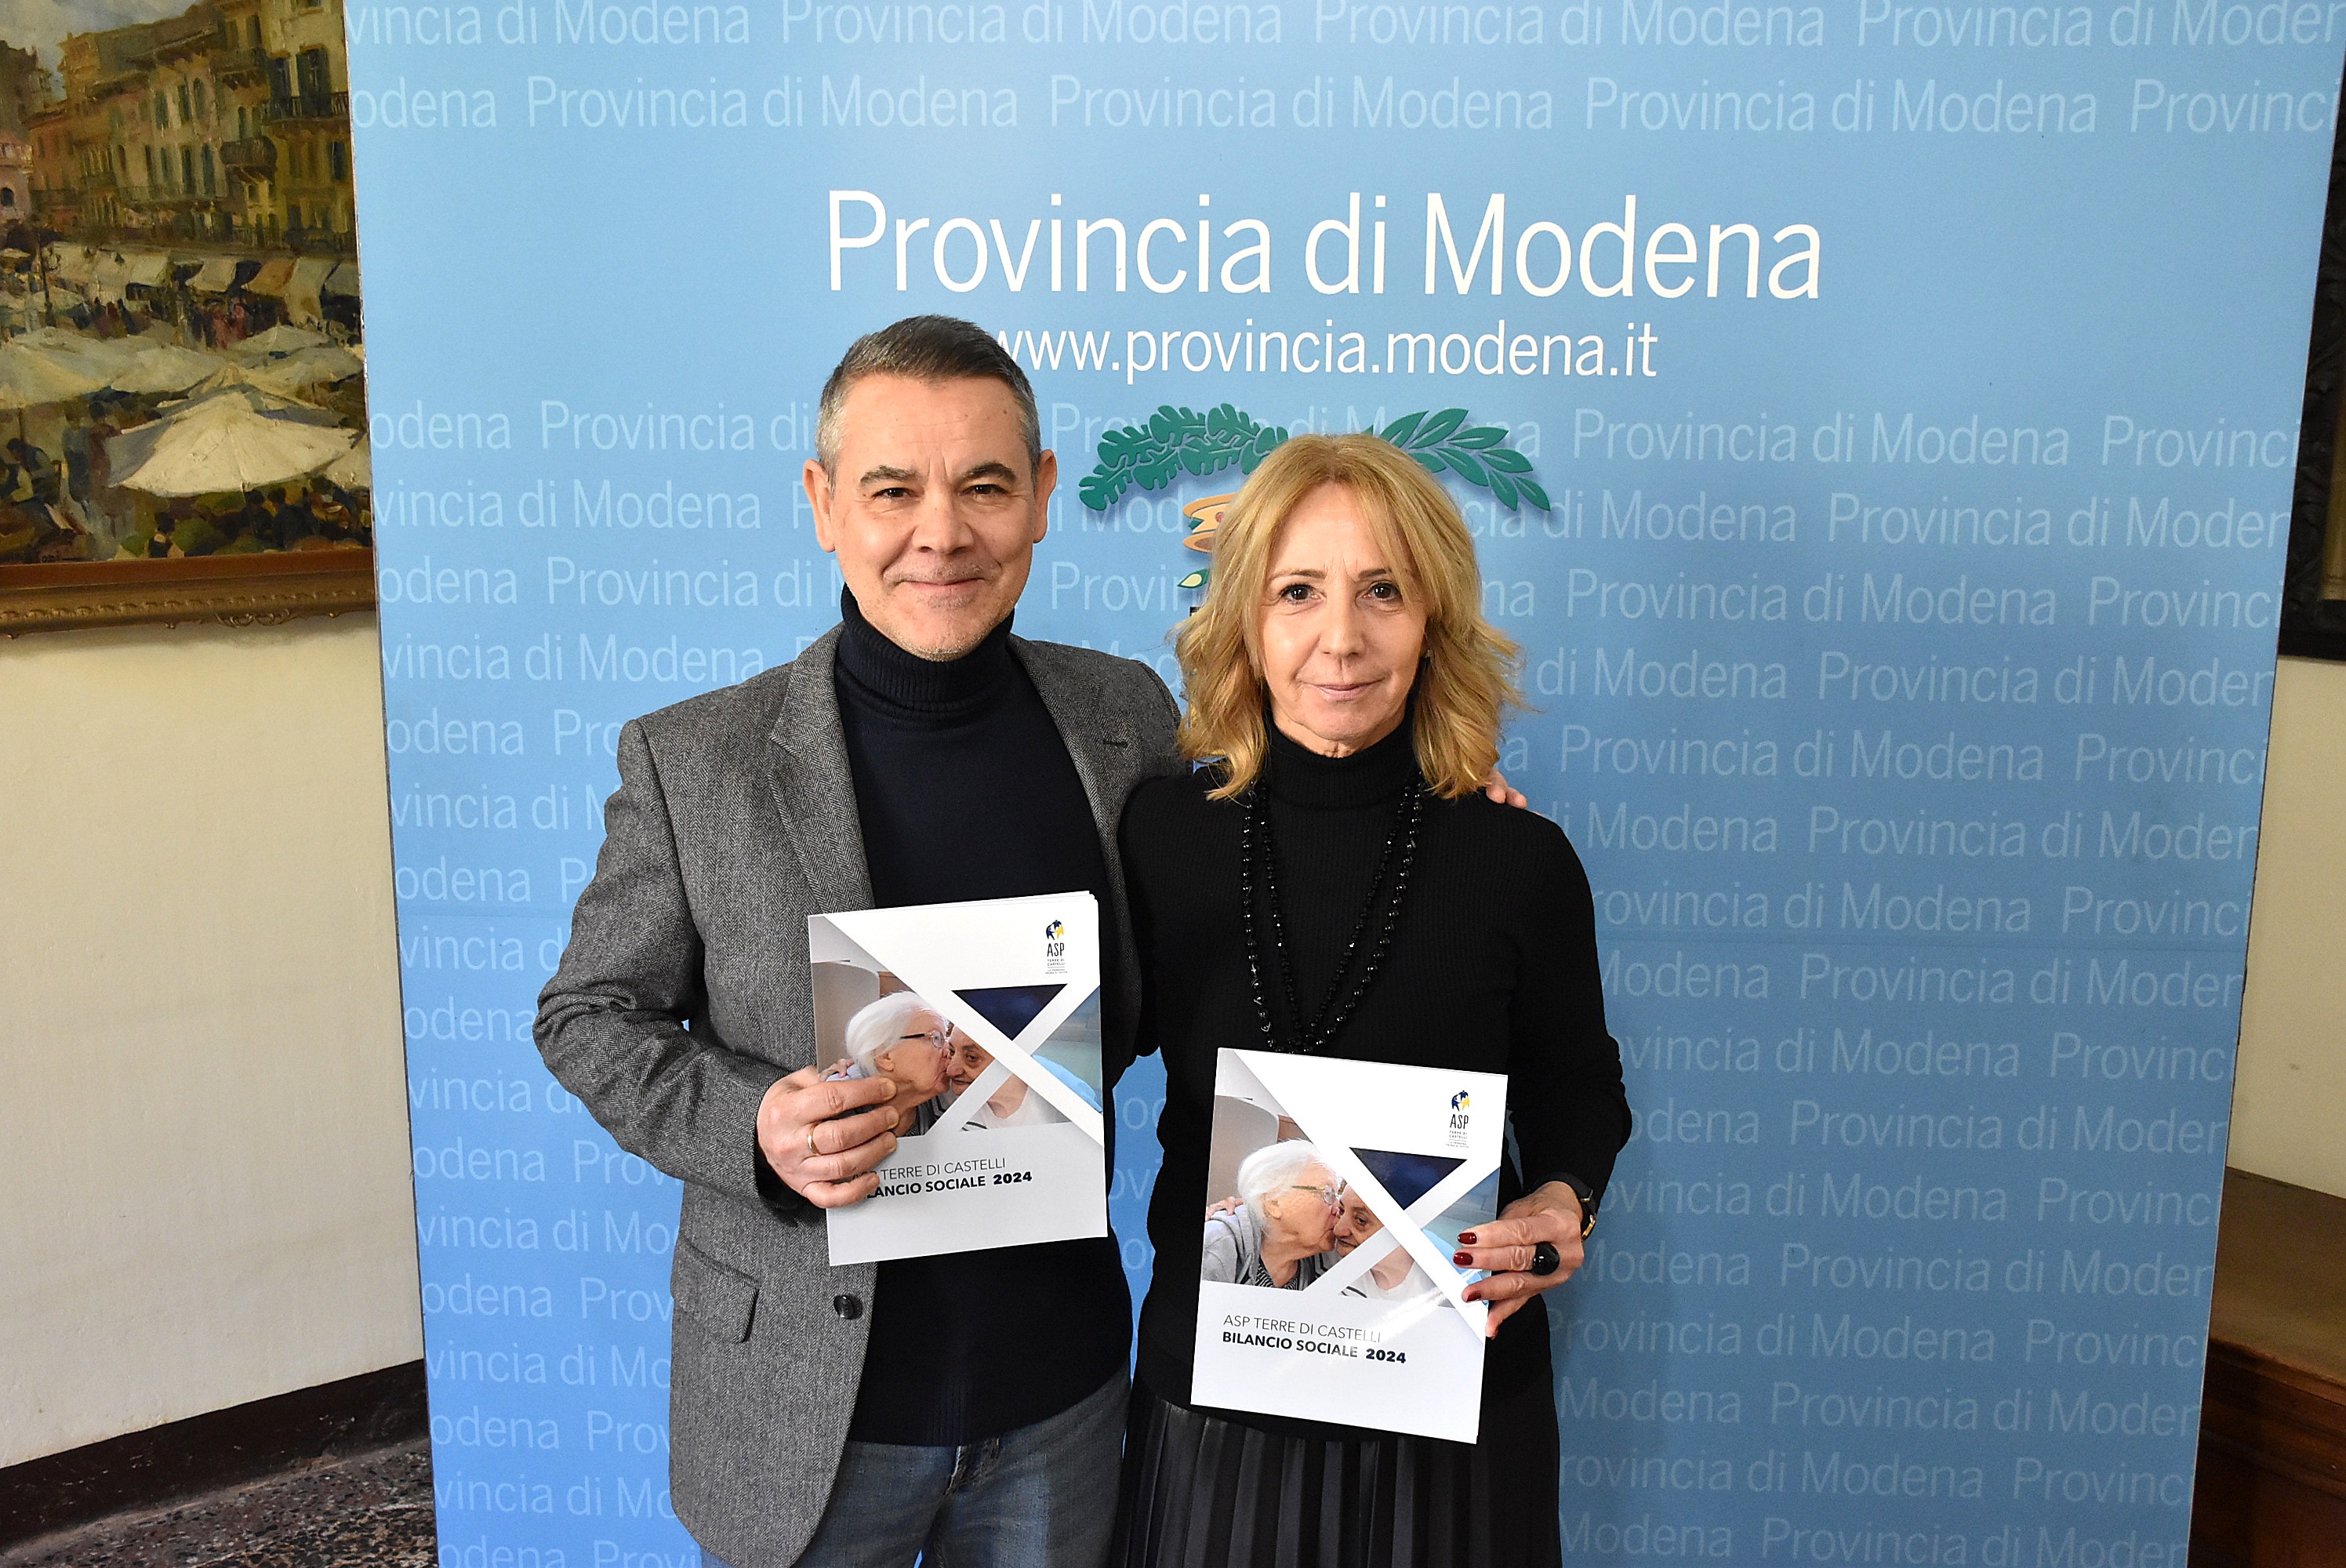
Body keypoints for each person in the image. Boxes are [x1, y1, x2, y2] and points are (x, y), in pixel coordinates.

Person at [535, 315, 1187, 1568]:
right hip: (804, 1414)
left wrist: (1442, 821)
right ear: (824, 503)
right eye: (893, 491)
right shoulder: (694, 760)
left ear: (1042, 495)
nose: (941, 533)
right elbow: (586, 1018)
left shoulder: (1126, 718)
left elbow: (1222, 928)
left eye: (984, 486)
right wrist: (757, 1130)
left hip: (1058, 1397)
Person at [1113, 433, 1632, 1568]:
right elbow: (1072, 1053)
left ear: (1435, 617)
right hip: (1221, 1412)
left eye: (1383, 591)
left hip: (1453, 1413)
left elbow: (1579, 1086)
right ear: (1245, 620)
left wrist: (1563, 1204)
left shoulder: (1521, 860)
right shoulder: (1158, 836)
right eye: (1298, 591)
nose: (1341, 637)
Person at [1199, 1141, 1340, 1289]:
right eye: (1328, 1193)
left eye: (1338, 1196)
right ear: (1273, 1201)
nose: (1338, 1209)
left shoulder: (1329, 1258)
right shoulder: (1216, 1245)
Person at [836, 991, 955, 1134]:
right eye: (935, 1038)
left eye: (946, 1039)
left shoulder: (948, 1099)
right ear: (884, 1055)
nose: (949, 1051)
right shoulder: (838, 1109)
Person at [1330, 1190, 1438, 1305]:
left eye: (1361, 1220)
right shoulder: (1330, 1251)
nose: (1337, 1230)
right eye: (1341, 1211)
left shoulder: (1437, 1286)